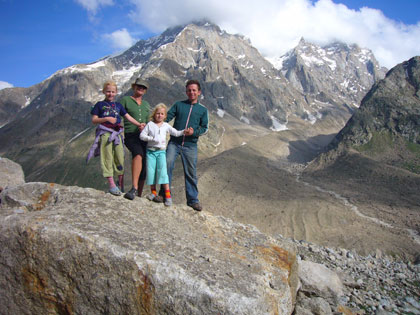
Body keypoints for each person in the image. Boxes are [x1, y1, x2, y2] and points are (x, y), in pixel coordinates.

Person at [88, 81, 143, 196]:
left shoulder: (118, 106)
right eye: (108, 91)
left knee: (119, 157)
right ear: (104, 92)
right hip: (105, 133)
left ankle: (120, 184)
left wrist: (139, 124)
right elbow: (94, 120)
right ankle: (112, 185)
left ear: (116, 92)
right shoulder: (99, 105)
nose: (110, 94)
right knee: (107, 157)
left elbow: (127, 117)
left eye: (113, 92)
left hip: (117, 134)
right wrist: (106, 118)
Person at [163, 79, 208, 211]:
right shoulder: (179, 105)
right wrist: (156, 121)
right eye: (189, 90)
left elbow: (205, 128)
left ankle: (193, 200)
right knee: (166, 165)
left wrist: (194, 133)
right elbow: (167, 117)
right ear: (186, 91)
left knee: (191, 172)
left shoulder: (203, 110)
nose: (191, 92)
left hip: (190, 145)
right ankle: (163, 195)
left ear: (199, 92)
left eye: (194, 90)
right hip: (174, 142)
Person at [140, 103, 190, 206]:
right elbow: (142, 135)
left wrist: (183, 132)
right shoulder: (150, 125)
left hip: (161, 152)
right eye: (158, 113)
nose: (159, 115)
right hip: (150, 152)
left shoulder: (166, 126)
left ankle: (168, 196)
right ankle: (153, 193)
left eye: (162, 114)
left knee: (163, 173)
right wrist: (150, 138)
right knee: (151, 172)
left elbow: (175, 133)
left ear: (165, 116)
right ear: (154, 114)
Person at [120, 78, 150, 200]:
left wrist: (145, 127)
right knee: (138, 154)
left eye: (143, 87)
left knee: (145, 163)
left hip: (144, 136)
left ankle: (139, 194)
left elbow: (149, 121)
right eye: (139, 86)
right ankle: (134, 188)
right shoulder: (125, 100)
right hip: (131, 134)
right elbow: (119, 113)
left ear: (145, 90)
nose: (140, 88)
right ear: (134, 87)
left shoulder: (146, 104)